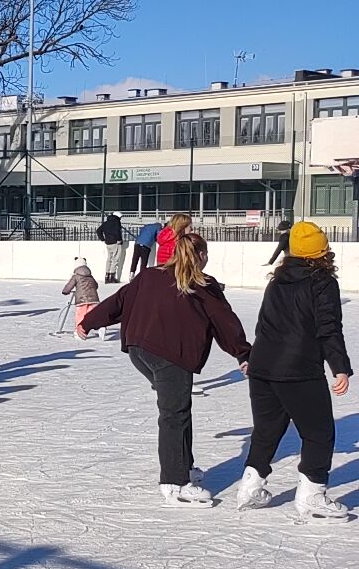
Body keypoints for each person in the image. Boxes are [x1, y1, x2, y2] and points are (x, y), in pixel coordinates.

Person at [80, 233, 250, 506]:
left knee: (178, 409)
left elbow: (119, 301)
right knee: (174, 414)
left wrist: (89, 322)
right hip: (171, 355)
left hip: (139, 350)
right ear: (203, 256)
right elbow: (224, 322)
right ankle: (174, 482)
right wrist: (243, 354)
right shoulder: (202, 286)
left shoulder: (149, 276)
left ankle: (183, 466)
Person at [237, 222, 351, 520]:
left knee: (266, 429)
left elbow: (263, 323)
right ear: (321, 251)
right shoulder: (323, 282)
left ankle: (250, 486)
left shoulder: (277, 280)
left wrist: (254, 357)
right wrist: (340, 368)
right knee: (318, 432)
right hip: (298, 369)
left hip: (263, 366)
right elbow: (328, 328)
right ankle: (313, 493)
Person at [62, 257, 101, 341]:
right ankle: (100, 327)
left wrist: (65, 291)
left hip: (81, 300)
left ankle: (78, 332)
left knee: (80, 315)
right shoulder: (90, 276)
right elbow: (96, 285)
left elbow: (70, 285)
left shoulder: (76, 276)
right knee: (92, 315)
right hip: (94, 299)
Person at [97, 212, 124, 284]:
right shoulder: (116, 222)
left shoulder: (106, 222)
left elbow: (98, 230)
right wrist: (119, 240)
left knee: (109, 259)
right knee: (115, 259)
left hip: (108, 243)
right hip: (115, 242)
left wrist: (102, 239)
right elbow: (117, 231)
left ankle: (106, 276)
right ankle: (112, 277)